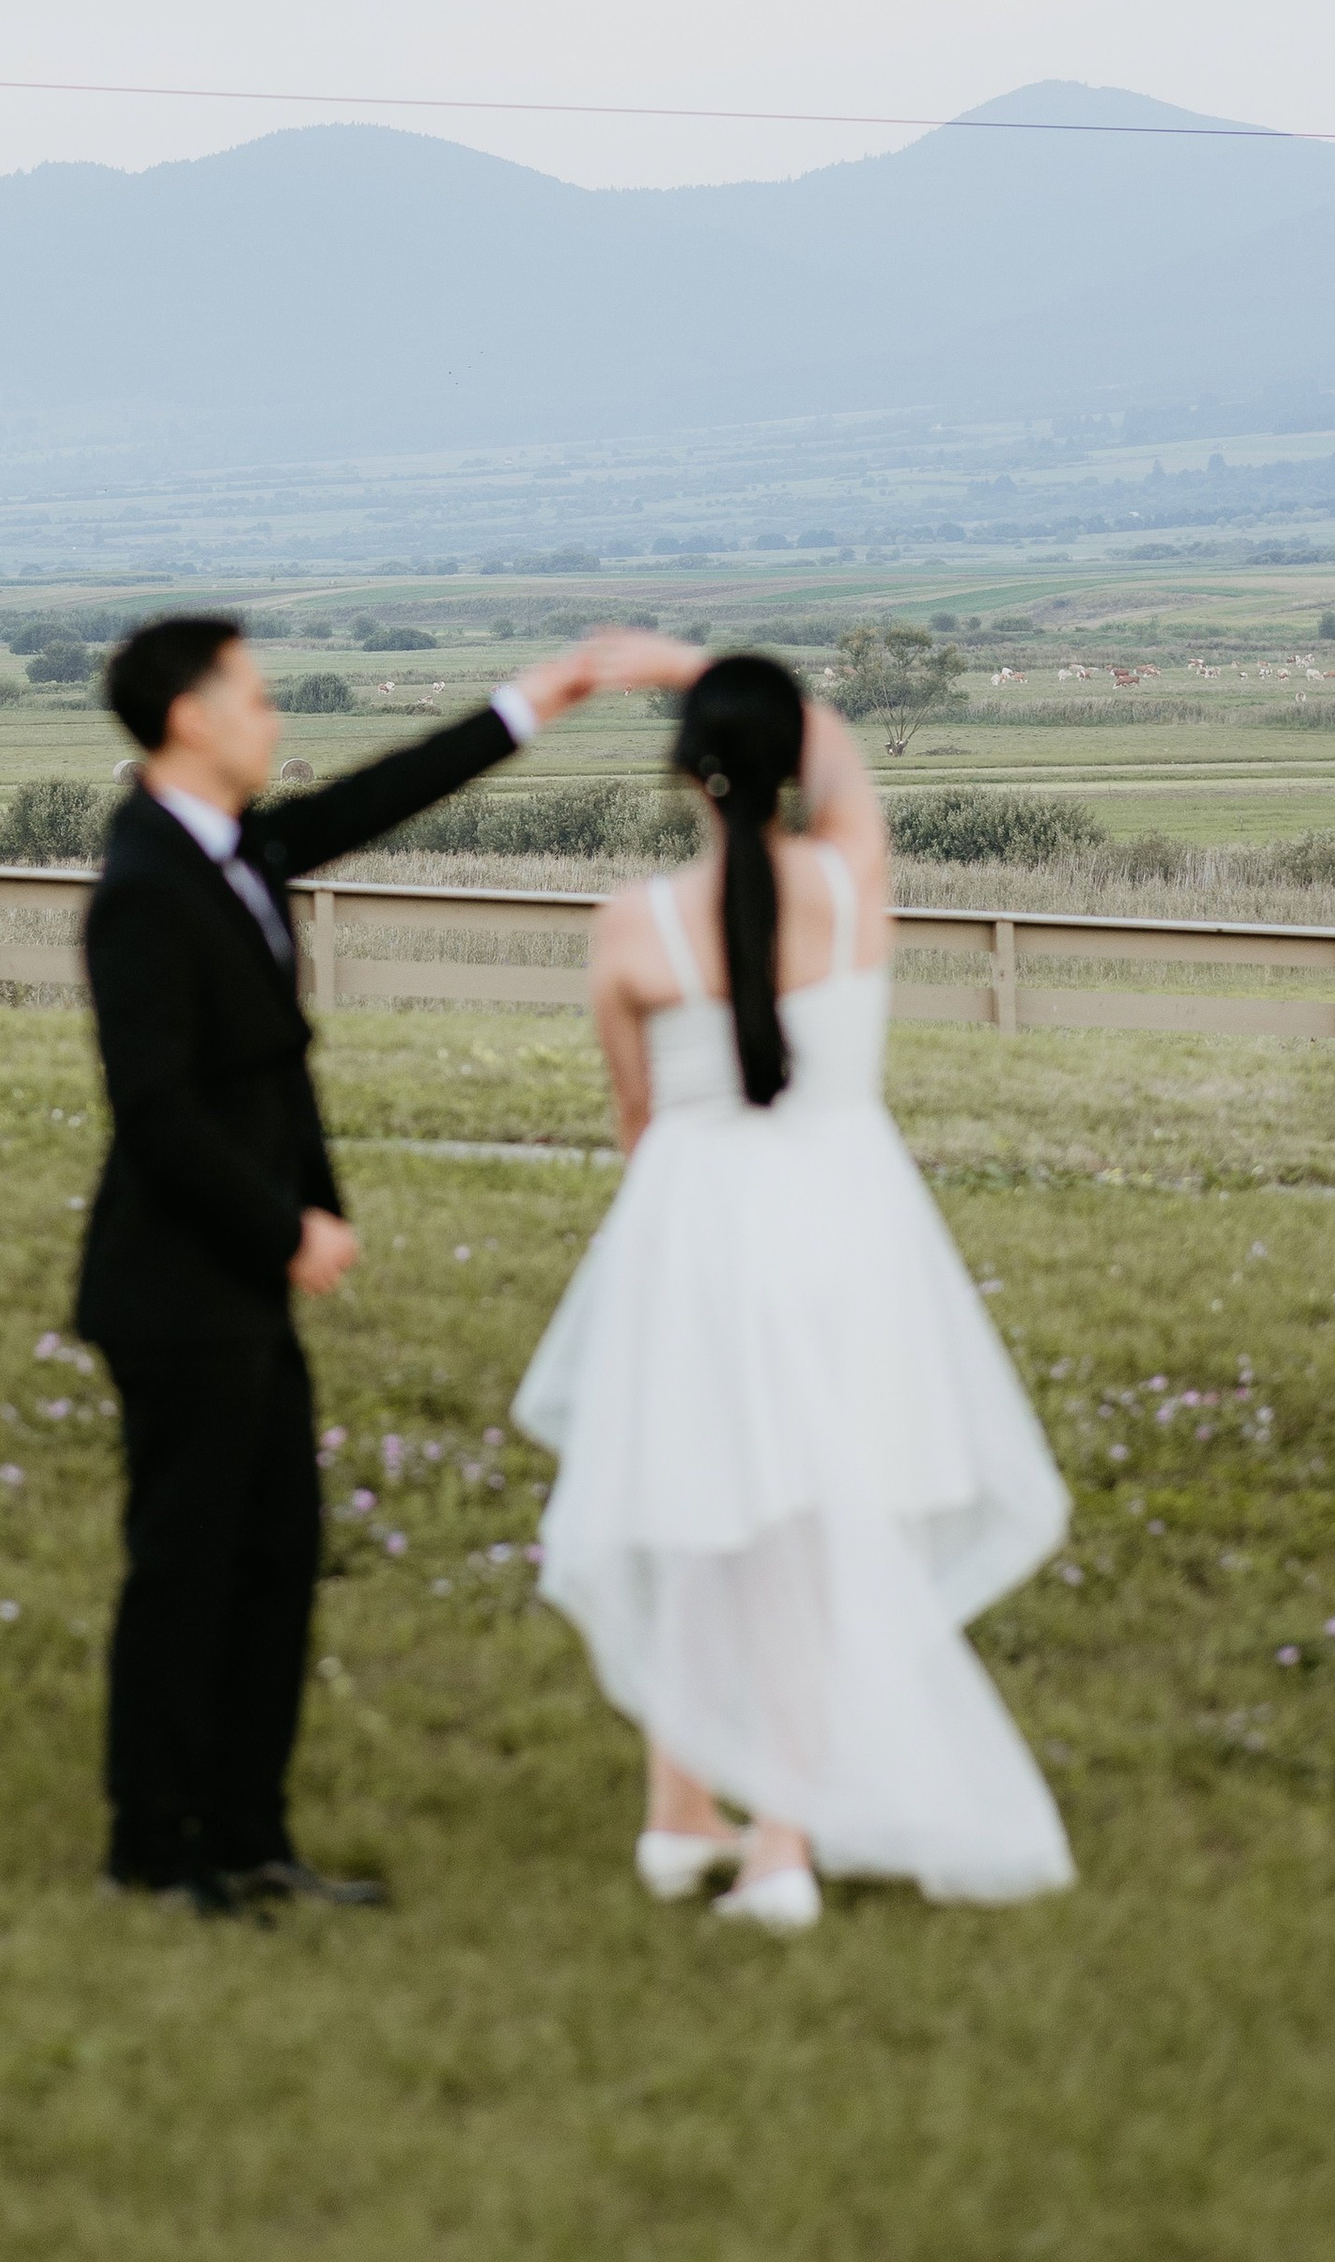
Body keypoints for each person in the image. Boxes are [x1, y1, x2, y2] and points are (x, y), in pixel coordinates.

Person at [76, 610, 672, 1917]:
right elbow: (157, 1111)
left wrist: (537, 699)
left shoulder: (241, 852)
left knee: (278, 1554)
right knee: (187, 1567)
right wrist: (286, 1227)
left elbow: (384, 793)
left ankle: (247, 1833)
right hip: (175, 1289)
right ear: (188, 715)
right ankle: (151, 1850)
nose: (272, 717)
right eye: (254, 696)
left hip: (235, 1288)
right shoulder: (143, 886)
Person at [515, 644, 1075, 1932]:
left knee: (700, 1502)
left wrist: (638, 676)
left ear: (685, 776)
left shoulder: (630, 924)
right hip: (843, 1230)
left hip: (694, 1234)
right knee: (814, 1538)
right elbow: (838, 758)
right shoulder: (851, 876)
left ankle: (680, 1813)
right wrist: (691, 664)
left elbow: (637, 1116)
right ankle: (774, 1842)